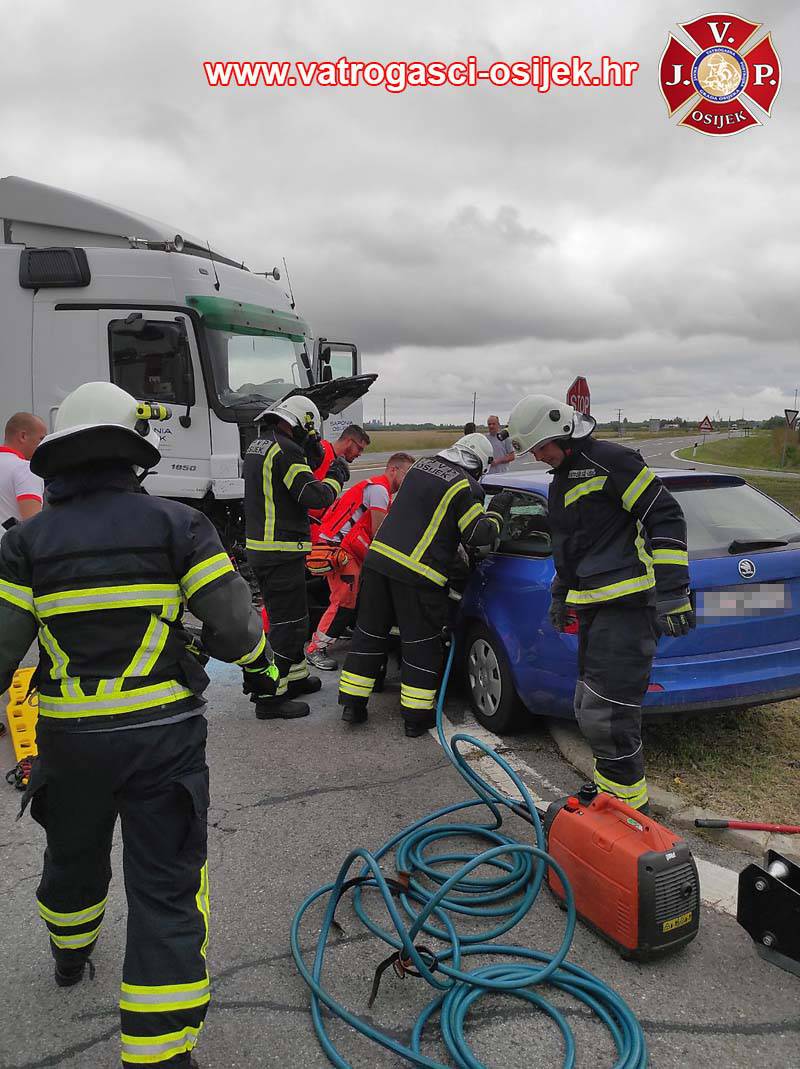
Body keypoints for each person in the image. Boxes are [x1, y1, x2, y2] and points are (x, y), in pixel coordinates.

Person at [0, 382, 278, 1069]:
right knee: (165, 886)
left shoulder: (26, 542)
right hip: (164, 740)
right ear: (134, 451)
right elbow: (236, 626)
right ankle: (156, 1053)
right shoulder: (179, 525)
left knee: (72, 857)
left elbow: (2, 646)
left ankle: (70, 955)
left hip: (69, 741)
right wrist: (259, 663)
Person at [507, 394, 694, 813]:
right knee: (588, 707)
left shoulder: (614, 461)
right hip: (594, 608)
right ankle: (611, 805)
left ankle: (630, 815)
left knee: (607, 716)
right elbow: (571, 549)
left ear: (563, 431)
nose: (538, 456)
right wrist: (560, 595)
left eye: (541, 447)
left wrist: (672, 591)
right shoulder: (562, 478)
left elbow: (665, 516)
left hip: (628, 607)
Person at [338, 434, 510, 737]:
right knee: (420, 645)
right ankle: (416, 719)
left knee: (369, 634)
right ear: (477, 463)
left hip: (378, 563)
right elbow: (479, 536)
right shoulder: (465, 486)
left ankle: (352, 704)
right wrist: (496, 510)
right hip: (417, 574)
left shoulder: (420, 468)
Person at [244, 395, 348, 718]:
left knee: (289, 618)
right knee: (289, 626)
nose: (311, 438)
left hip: (263, 549)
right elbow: (313, 497)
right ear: (298, 422)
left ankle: (296, 677)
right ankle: (270, 698)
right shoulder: (287, 450)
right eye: (309, 431)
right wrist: (336, 475)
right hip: (280, 551)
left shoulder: (260, 444)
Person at [306, 452, 415, 670]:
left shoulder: (376, 488)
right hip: (339, 551)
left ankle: (340, 628)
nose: (409, 481)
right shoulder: (379, 491)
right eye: (407, 475)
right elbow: (379, 532)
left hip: (345, 549)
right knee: (345, 599)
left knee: (354, 596)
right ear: (393, 469)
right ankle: (316, 649)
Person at [0, 412, 47, 528]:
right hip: (9, 544)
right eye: (41, 438)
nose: (43, 444)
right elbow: (33, 526)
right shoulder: (26, 469)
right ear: (23, 436)